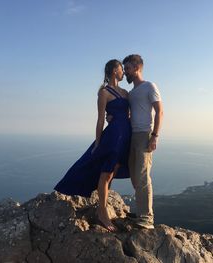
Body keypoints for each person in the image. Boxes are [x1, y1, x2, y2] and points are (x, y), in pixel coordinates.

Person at [54, 59, 131, 232]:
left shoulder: (126, 93)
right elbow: (100, 119)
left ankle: (102, 206)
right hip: (113, 136)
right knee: (106, 173)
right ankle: (102, 213)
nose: (123, 72)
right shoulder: (104, 92)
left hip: (125, 135)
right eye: (121, 69)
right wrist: (97, 143)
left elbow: (130, 114)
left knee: (113, 172)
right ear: (114, 71)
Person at [123, 54, 163, 229]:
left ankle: (147, 218)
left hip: (144, 134)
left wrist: (154, 136)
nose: (125, 73)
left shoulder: (149, 86)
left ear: (137, 68)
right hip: (131, 135)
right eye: (124, 69)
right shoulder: (131, 93)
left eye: (128, 69)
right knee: (134, 176)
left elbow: (159, 111)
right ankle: (140, 213)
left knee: (142, 176)